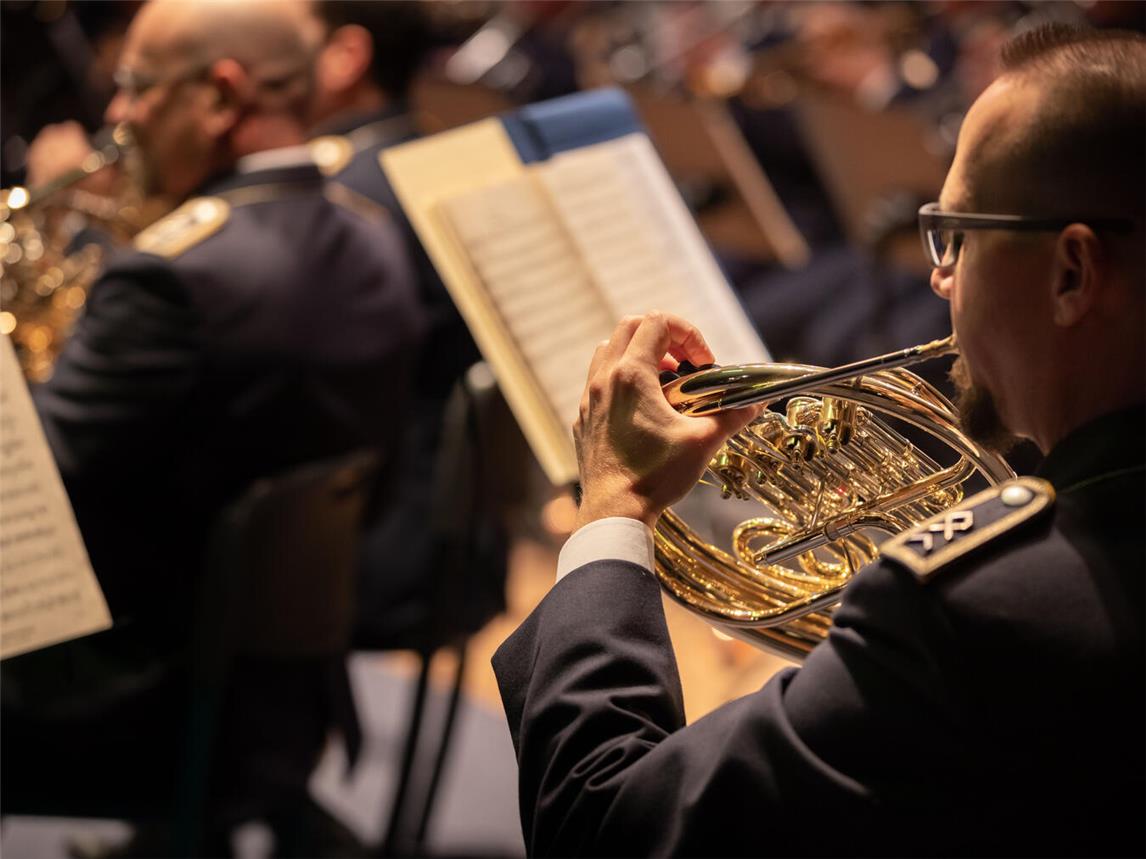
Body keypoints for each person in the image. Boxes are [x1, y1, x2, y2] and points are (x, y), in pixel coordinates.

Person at [493, 23, 1144, 857]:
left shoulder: (966, 611)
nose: (940, 276)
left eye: (959, 235)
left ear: (1071, 273)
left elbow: (604, 823)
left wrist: (612, 505)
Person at [2, 0, 422, 851]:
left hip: (134, 713)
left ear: (220, 97)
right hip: (283, 695)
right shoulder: (371, 233)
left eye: (134, 88)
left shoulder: (170, 281)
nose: (115, 118)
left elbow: (29, 490)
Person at [306, 0, 510, 653]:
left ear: (345, 57)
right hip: (459, 537)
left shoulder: (347, 200)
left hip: (372, 555)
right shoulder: (427, 158)